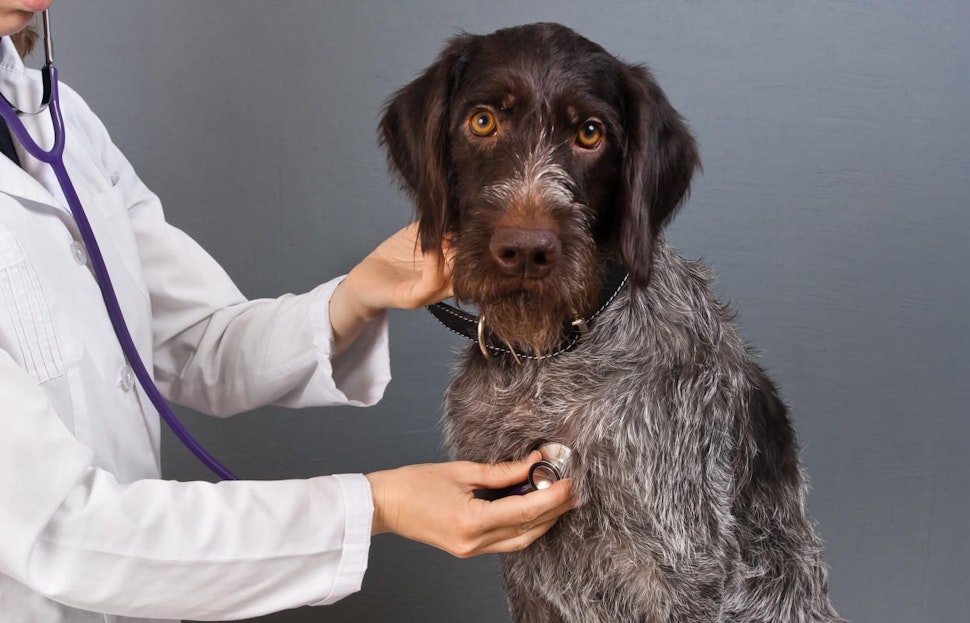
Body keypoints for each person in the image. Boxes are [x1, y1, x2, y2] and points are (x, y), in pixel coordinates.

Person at [0, 3, 574, 621]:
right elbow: (63, 533)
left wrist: (358, 293)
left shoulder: (60, 122)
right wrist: (380, 505)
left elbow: (198, 341)